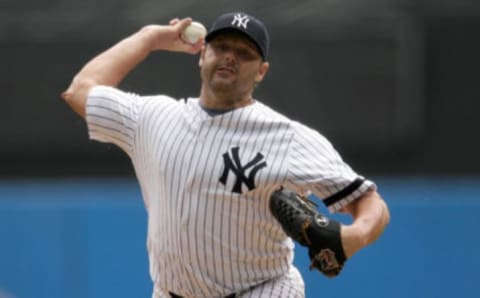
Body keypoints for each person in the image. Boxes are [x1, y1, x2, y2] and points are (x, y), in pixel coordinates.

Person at [62, 12, 390, 298]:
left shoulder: (288, 138)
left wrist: (353, 236)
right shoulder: (152, 118)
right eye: (221, 47)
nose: (230, 57)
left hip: (263, 289)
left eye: (244, 52)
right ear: (202, 54)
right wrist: (149, 38)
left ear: (261, 71)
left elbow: (370, 203)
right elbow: (80, 91)